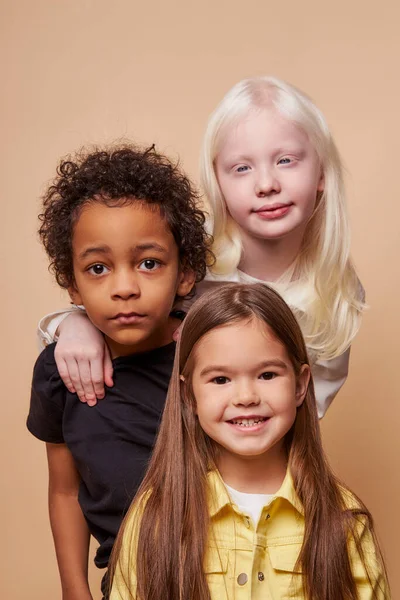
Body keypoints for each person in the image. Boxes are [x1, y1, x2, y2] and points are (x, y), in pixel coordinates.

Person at [36, 76, 365, 417]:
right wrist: (74, 325)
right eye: (242, 168)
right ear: (217, 182)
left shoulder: (338, 292)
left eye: (285, 161)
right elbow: (109, 295)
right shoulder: (189, 252)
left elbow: (310, 414)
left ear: (322, 172)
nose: (267, 184)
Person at [109, 283, 389, 600]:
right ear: (189, 395)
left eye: (267, 375)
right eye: (220, 379)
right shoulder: (155, 517)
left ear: (300, 385)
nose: (246, 397)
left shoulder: (343, 518)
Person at [27, 144, 212, 600]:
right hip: (130, 585)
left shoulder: (209, 353)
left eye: (149, 263)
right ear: (71, 284)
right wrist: (74, 587)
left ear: (186, 273)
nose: (125, 288)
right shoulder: (59, 372)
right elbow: (65, 492)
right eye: (98, 268)